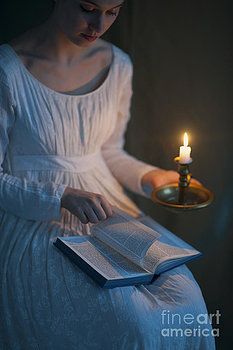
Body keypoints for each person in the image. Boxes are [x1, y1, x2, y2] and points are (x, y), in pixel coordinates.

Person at [0, 0, 215, 349]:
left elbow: (109, 152)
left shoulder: (117, 65)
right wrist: (61, 197)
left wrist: (154, 178)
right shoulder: (8, 70)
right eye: (88, 7)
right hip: (34, 214)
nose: (98, 24)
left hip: (107, 208)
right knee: (131, 320)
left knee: (187, 299)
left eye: (113, 12)